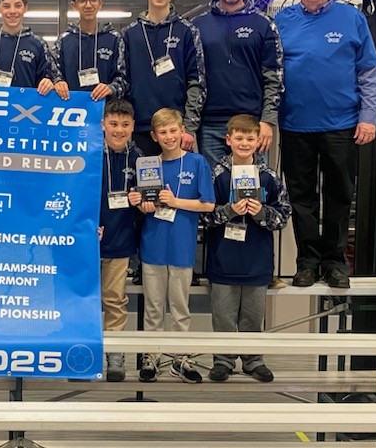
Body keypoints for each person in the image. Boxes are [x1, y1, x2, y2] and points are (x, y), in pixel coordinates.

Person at [275, 0, 376, 289]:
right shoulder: (282, 21)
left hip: (342, 124)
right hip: (295, 125)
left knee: (339, 196)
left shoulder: (352, 18)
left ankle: (335, 263)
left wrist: (368, 117)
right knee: (301, 200)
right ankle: (308, 263)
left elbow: (370, 71)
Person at [204, 114, 292, 383]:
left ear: (258, 142)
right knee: (223, 317)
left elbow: (283, 216)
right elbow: (204, 216)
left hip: (257, 262)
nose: (244, 143)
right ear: (228, 140)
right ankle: (223, 360)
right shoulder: (215, 175)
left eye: (250, 138)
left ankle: (253, 360)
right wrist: (229, 211)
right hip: (223, 260)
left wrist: (261, 212)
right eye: (239, 138)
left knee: (253, 317)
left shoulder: (269, 177)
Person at [137, 108, 215, 383]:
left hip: (182, 246)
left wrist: (175, 202)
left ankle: (181, 358)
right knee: (153, 307)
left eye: (173, 131)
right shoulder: (148, 164)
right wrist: (143, 205)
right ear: (154, 136)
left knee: (180, 308)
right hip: (153, 245)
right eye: (163, 132)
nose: (169, 136)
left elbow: (208, 204)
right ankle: (152, 357)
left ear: (183, 131)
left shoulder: (197, 162)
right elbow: (145, 204)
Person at [191, 0, 283, 171]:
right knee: (214, 186)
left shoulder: (264, 24)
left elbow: (275, 76)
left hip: (251, 124)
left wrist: (268, 121)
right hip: (210, 124)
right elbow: (192, 77)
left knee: (252, 187)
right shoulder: (197, 25)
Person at [122, 0, 205, 156]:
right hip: (140, 127)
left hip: (175, 129)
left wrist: (189, 126)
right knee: (141, 176)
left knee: (178, 176)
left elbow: (197, 81)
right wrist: (126, 125)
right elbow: (123, 82)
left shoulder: (188, 31)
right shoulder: (129, 33)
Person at [99, 99, 144, 382]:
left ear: (133, 126)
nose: (119, 130)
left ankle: (114, 354)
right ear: (102, 124)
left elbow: (150, 201)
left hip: (121, 241)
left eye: (125, 125)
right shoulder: (89, 152)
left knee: (114, 300)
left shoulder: (140, 158)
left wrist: (142, 201)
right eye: (113, 124)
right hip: (87, 240)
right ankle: (85, 353)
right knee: (86, 300)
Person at [49, 0, 128, 102]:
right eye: (82, 0)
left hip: (105, 109)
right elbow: (52, 74)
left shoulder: (115, 39)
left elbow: (125, 78)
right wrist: (58, 82)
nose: (88, 5)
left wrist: (111, 88)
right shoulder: (64, 41)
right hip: (71, 107)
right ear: (74, 5)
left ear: (100, 3)